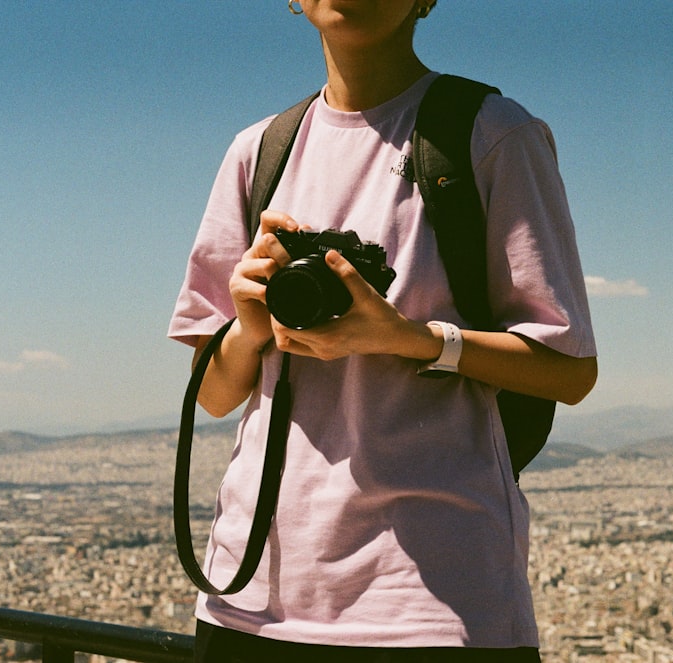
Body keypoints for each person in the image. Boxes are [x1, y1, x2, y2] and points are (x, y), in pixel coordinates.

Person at [168, 1, 597, 660]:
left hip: (433, 606)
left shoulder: (489, 135)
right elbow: (217, 394)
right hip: (253, 600)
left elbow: (568, 368)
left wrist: (412, 338)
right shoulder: (259, 152)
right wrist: (251, 324)